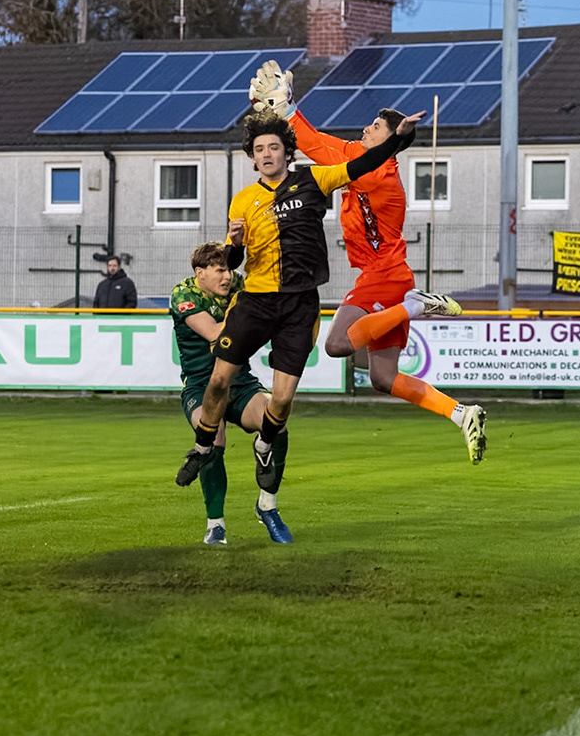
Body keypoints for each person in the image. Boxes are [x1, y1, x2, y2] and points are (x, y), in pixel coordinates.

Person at [175, 110, 416, 542]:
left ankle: (265, 447)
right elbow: (232, 263)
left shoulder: (315, 180)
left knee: (282, 402)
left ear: (287, 150)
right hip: (256, 302)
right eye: (259, 149)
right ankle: (202, 446)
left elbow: (362, 164)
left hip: (299, 305)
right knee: (217, 382)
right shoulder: (244, 200)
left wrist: (399, 140)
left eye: (273, 147)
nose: (266, 154)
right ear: (252, 158)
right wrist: (235, 243)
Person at [290, 101, 485, 462]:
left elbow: (329, 153)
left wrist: (401, 135)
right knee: (381, 376)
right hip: (387, 277)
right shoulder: (360, 156)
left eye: (375, 126)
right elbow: (314, 141)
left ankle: (416, 305)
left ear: (389, 139)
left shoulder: (380, 174)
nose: (366, 129)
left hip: (385, 276)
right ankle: (462, 413)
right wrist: (289, 109)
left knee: (336, 345)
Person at [171, 242, 286, 545]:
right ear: (200, 273)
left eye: (229, 270)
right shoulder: (183, 295)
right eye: (220, 270)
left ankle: (267, 506)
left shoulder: (237, 284)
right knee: (212, 435)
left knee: (277, 419)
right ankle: (215, 525)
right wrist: (250, 317)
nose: (227, 277)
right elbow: (213, 333)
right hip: (200, 384)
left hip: (240, 381)